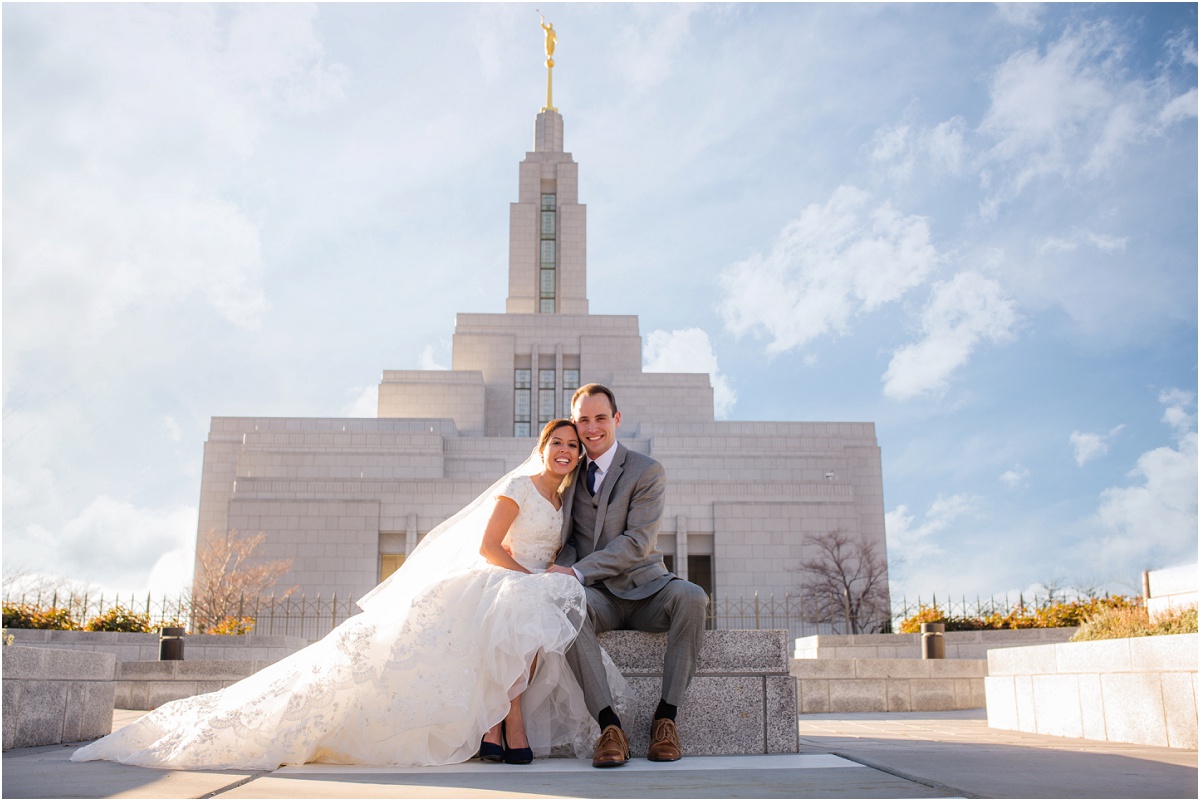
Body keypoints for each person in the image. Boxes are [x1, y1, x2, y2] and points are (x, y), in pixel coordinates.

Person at [72, 419, 627, 770]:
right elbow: (486, 547)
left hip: (525, 583)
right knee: (522, 617)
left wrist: (545, 573)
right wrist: (528, 577)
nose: (564, 451)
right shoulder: (517, 488)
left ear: (580, 455)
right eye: (556, 442)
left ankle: (494, 727)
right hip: (496, 576)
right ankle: (508, 727)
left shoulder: (562, 500)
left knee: (531, 626)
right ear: (542, 447)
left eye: (572, 446)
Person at [547, 384, 709, 768]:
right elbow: (567, 539)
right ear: (575, 423)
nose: (592, 428)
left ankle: (666, 720)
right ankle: (610, 727)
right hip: (599, 598)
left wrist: (578, 571)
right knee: (565, 608)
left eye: (600, 418)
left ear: (615, 420)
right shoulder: (568, 475)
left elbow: (637, 542)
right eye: (583, 419)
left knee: (692, 597)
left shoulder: (647, 470)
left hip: (648, 588)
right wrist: (559, 572)